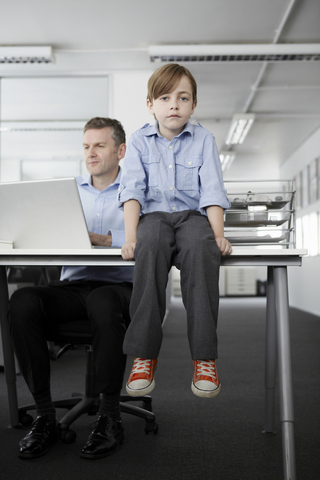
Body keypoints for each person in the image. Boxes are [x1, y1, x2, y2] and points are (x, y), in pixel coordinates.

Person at [8, 117, 133, 460]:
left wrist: (104, 240)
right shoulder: (68, 190)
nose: (91, 153)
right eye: (86, 146)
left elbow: (153, 239)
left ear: (120, 150)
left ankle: (110, 417)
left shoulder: (137, 191)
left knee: (104, 301)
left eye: (100, 145)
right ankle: (45, 416)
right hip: (74, 287)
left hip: (120, 288)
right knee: (22, 301)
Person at [118, 63, 232, 400]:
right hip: (153, 217)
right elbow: (132, 191)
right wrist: (130, 238)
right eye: (165, 97)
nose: (174, 105)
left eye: (183, 98)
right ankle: (143, 355)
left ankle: (204, 358)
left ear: (193, 105)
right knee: (149, 245)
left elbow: (212, 190)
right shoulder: (139, 140)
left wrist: (218, 234)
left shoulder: (204, 139)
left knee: (201, 247)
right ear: (151, 104)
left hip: (191, 217)